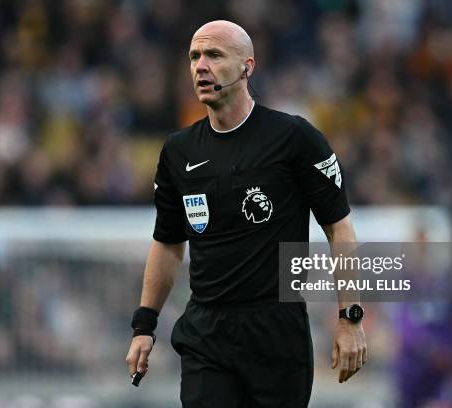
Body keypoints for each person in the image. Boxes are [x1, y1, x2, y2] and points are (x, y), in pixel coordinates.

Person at [126, 20, 367, 407]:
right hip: (206, 332)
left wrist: (349, 317)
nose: (200, 66)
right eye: (194, 56)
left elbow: (338, 228)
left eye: (214, 55)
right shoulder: (178, 151)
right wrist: (144, 325)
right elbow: (168, 243)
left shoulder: (294, 139)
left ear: (247, 67)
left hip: (276, 330)